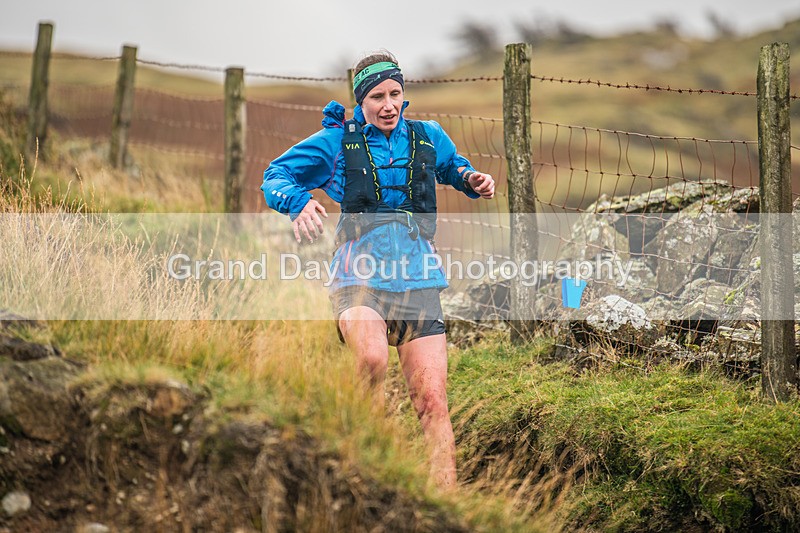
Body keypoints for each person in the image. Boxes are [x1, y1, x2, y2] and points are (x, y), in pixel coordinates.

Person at [260, 51, 494, 490]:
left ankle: (445, 498)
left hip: (419, 278)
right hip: (357, 275)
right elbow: (276, 174)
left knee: (431, 400)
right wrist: (299, 202)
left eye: (395, 94)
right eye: (376, 97)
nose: (388, 105)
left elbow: (453, 167)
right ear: (360, 101)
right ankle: (365, 466)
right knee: (371, 358)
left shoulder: (428, 136)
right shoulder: (336, 143)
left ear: (403, 95)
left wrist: (471, 179)